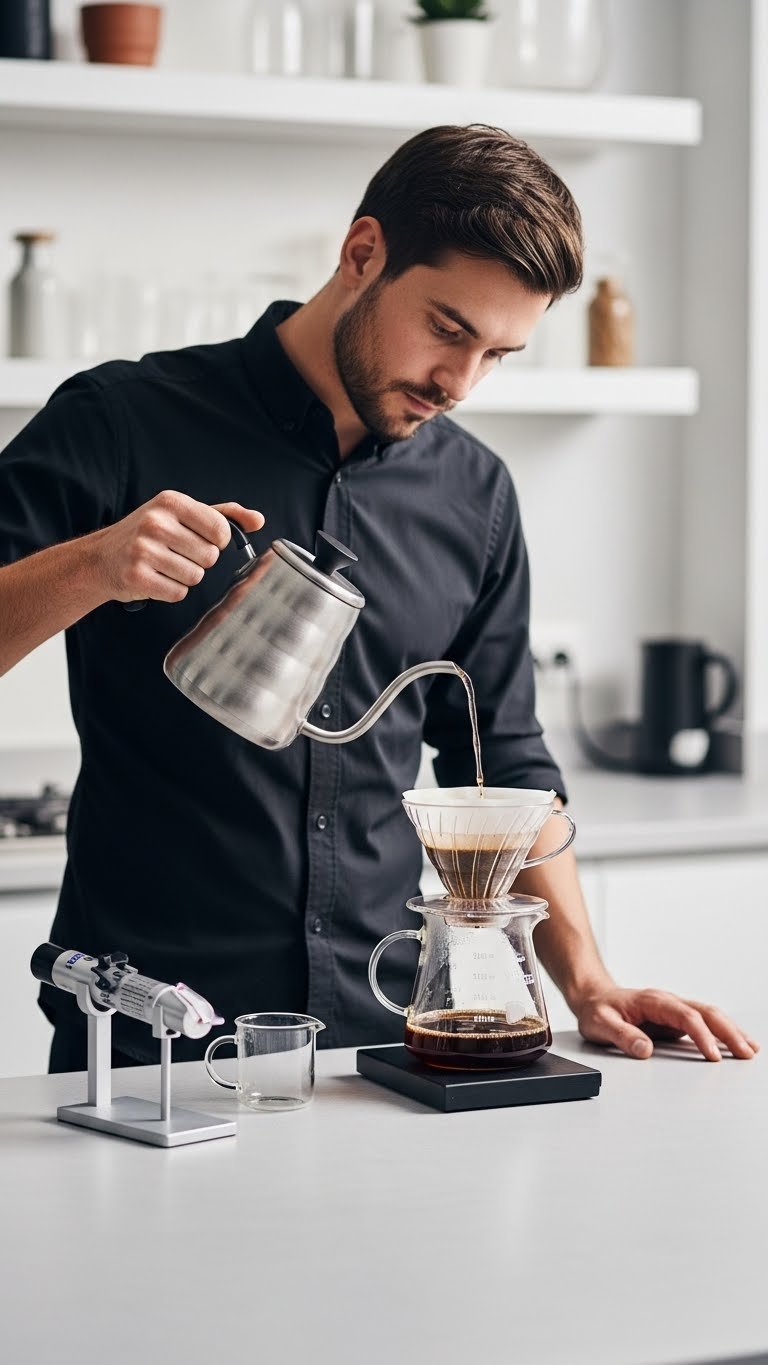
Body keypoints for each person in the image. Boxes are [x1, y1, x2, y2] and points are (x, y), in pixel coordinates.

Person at [0, 125, 758, 1072]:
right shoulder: (122, 420)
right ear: (363, 254)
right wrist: (90, 568)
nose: (460, 382)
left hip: (385, 1043)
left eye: (499, 353)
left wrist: (588, 982)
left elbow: (508, 768)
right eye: (448, 328)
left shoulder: (474, 495)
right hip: (153, 1037)